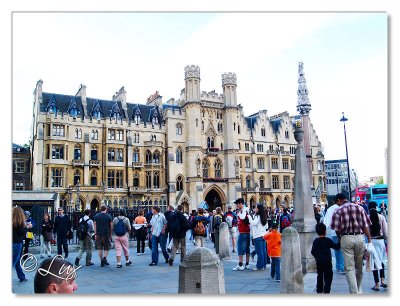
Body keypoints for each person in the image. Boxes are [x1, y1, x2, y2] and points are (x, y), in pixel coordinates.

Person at [331, 193, 372, 294]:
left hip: (346, 237)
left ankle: (354, 292)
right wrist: (369, 240)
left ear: (339, 200)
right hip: (359, 237)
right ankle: (358, 288)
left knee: (349, 268)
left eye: (338, 202)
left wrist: (341, 236)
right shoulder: (360, 208)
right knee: (359, 267)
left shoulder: (338, 210)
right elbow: (365, 226)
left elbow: (336, 229)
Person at [311, 223, 341, 293]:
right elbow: (336, 247)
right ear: (325, 231)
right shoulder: (328, 240)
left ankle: (319, 289)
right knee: (328, 276)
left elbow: (312, 251)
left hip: (319, 261)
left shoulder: (316, 241)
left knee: (320, 275)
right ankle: (327, 290)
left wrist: (317, 257)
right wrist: (339, 238)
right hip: (327, 261)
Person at [368, 201, 388, 291]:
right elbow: (386, 232)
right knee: (381, 261)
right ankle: (382, 281)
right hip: (380, 242)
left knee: (374, 263)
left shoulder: (367, 218)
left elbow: (366, 232)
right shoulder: (382, 217)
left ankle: (376, 284)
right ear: (376, 207)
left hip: (371, 242)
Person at [323, 199, 345, 274]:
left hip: (334, 233)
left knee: (337, 250)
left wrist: (323, 232)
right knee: (342, 250)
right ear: (338, 200)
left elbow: (326, 222)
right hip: (342, 232)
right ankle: (342, 267)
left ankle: (339, 266)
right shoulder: (341, 208)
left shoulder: (330, 209)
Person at [233, 198, 251, 271]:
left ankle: (240, 265)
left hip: (243, 232)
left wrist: (239, 213)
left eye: (237, 204)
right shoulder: (246, 210)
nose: (237, 205)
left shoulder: (243, 210)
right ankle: (247, 264)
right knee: (247, 248)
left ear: (240, 203)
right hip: (247, 232)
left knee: (240, 248)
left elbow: (242, 217)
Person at [248, 203, 268, 271]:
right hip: (263, 235)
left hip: (258, 236)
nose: (255, 209)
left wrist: (249, 217)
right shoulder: (264, 216)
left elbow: (254, 223)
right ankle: (264, 265)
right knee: (263, 251)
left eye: (256, 208)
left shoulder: (258, 216)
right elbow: (266, 227)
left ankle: (259, 266)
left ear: (258, 209)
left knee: (260, 252)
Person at [12, 206, 28, 283]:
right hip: (17, 243)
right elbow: (21, 232)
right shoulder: (20, 222)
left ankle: (22, 276)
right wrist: (27, 227)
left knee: (17, 261)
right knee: (13, 262)